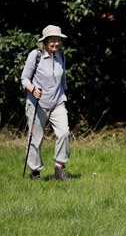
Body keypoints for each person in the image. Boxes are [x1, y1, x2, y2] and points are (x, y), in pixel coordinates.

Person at [21, 25, 70, 181]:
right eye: (53, 40)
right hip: (37, 104)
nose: (56, 43)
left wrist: (63, 92)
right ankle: (34, 171)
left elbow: (63, 79)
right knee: (36, 138)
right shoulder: (35, 56)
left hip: (58, 102)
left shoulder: (61, 55)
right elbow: (24, 79)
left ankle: (59, 167)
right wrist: (33, 89)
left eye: (58, 40)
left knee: (64, 133)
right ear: (45, 41)